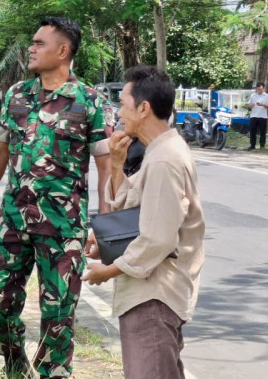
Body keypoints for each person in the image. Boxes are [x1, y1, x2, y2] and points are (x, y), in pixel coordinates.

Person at [0, 17, 112, 379]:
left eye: (38, 43)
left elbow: (107, 168)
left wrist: (104, 227)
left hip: (64, 229)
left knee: (58, 315)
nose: (30, 49)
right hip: (14, 219)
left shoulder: (90, 101)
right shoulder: (18, 95)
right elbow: (0, 151)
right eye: (31, 43)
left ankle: (53, 374)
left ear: (62, 51)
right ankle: (14, 360)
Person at [82, 65, 205, 379]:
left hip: (153, 296)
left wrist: (106, 272)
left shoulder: (164, 158)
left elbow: (158, 239)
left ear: (144, 108)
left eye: (123, 104)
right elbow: (133, 206)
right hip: (150, 291)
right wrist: (117, 164)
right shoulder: (158, 151)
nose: (119, 114)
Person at [247, 82, 268, 150]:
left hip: (263, 116)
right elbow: (249, 104)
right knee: (252, 131)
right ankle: (252, 145)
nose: (259, 91)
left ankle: (262, 145)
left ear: (263, 88)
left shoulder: (267, 96)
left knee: (262, 132)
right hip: (254, 116)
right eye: (258, 89)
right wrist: (251, 105)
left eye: (261, 89)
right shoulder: (253, 96)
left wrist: (263, 104)